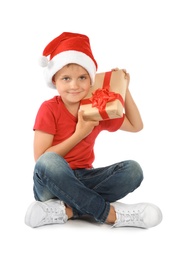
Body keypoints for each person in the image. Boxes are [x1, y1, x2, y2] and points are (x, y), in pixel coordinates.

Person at [25, 32, 162, 229]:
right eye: (66, 78)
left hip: (84, 179)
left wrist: (124, 89)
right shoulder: (49, 109)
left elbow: (136, 126)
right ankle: (111, 216)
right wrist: (80, 134)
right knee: (50, 161)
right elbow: (41, 159)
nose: (74, 85)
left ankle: (68, 210)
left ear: (91, 80)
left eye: (82, 77)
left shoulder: (97, 108)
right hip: (51, 184)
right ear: (55, 81)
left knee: (133, 170)